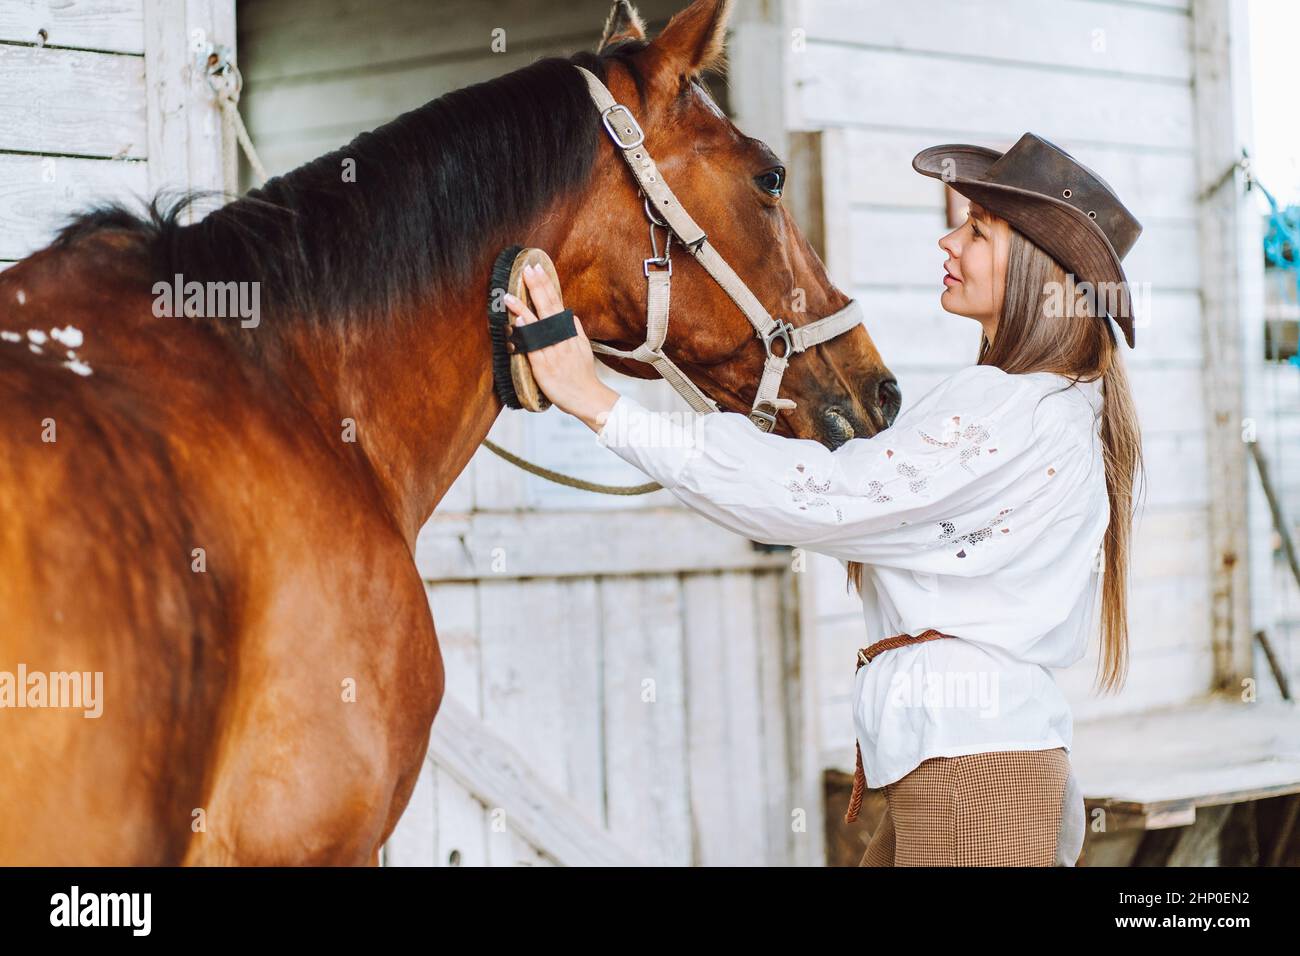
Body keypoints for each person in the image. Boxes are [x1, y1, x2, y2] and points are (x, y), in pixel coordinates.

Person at [501, 132, 1144, 867]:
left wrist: (598, 401)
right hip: (964, 755)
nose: (949, 240)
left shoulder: (1013, 409)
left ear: (1035, 269)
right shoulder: (1050, 408)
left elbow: (823, 498)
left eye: (977, 231)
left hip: (974, 764)